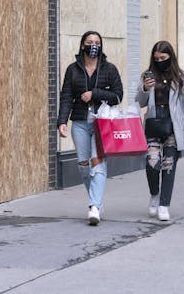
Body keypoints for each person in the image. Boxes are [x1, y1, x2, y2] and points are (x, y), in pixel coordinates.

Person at [57, 31, 123, 225]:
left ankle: (93, 206)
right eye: (89, 42)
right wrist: (62, 121)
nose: (93, 45)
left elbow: (118, 95)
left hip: (102, 123)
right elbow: (66, 96)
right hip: (79, 122)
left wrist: (94, 93)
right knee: (84, 166)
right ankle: (97, 201)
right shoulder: (72, 70)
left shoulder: (109, 69)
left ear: (101, 46)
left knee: (98, 163)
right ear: (82, 45)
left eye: (96, 42)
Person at [135, 41, 184, 222]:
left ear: (170, 57)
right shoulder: (147, 76)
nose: (160, 61)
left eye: (163, 58)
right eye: (156, 58)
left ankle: (164, 205)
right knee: (152, 164)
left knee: (169, 165)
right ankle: (154, 194)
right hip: (152, 126)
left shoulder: (182, 78)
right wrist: (145, 88)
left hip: (173, 127)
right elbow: (139, 101)